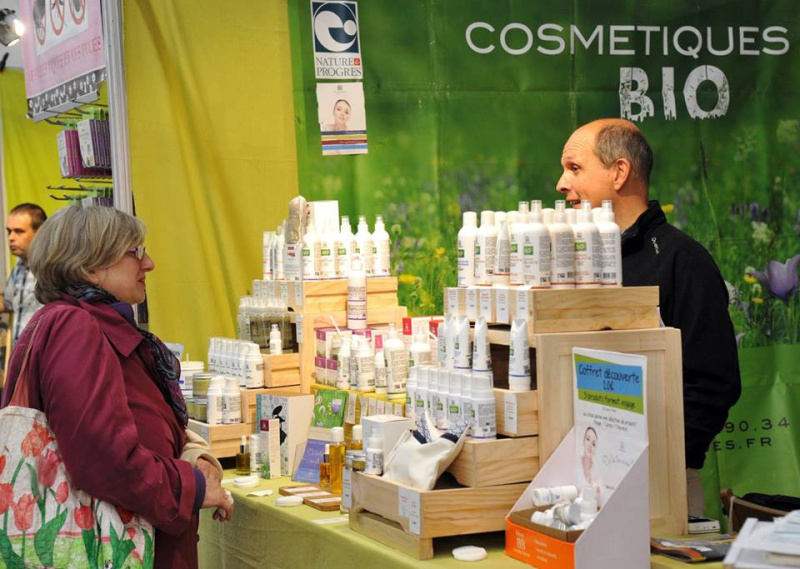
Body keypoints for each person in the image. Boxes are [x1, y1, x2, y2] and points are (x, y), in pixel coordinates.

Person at [1, 206, 233, 568]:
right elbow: (103, 458)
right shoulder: (75, 327)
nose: (149, 263)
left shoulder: (72, 323)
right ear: (89, 267)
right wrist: (191, 486)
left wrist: (187, 451)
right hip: (109, 548)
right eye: (135, 251)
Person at [556, 118, 742, 516]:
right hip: (582, 477)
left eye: (574, 168)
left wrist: (664, 459)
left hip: (661, 483)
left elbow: (714, 382)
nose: (560, 183)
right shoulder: (568, 258)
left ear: (619, 172)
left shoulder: (680, 260)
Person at [4, 203, 46, 344]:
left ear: (40, 232)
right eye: (9, 231)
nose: (11, 237)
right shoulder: (19, 266)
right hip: (21, 357)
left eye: (19, 231)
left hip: (43, 356)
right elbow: (7, 302)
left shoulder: (52, 269)